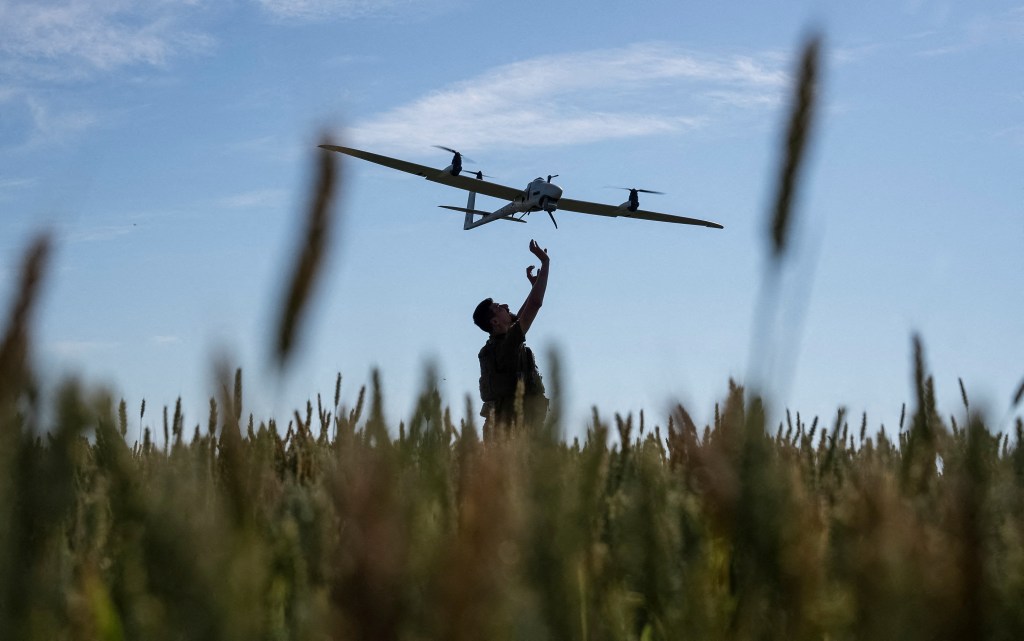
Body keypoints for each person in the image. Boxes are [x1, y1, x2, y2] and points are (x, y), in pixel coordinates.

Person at [472, 239, 550, 433]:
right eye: (498, 308)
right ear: (495, 323)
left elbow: (521, 317)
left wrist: (535, 286)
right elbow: (535, 305)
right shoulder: (506, 345)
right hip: (514, 436)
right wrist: (546, 263)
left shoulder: (500, 344)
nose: (506, 306)